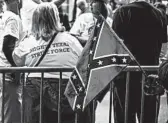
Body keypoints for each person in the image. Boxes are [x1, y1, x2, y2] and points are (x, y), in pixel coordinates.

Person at [13, 3, 93, 123]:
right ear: (56, 18)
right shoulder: (70, 39)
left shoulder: (29, 42)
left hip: (35, 91)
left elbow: (17, 60)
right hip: (66, 91)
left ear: (35, 20)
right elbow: (82, 60)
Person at [112, 0, 167, 122]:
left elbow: (114, 44)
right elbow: (164, 46)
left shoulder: (121, 12)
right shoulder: (159, 14)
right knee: (148, 117)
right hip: (150, 74)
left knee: (124, 117)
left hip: (125, 75)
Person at [0, 0, 24, 122]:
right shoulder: (12, 18)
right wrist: (15, 68)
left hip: (3, 70)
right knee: (12, 115)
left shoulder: (4, 16)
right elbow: (7, 46)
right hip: (9, 72)